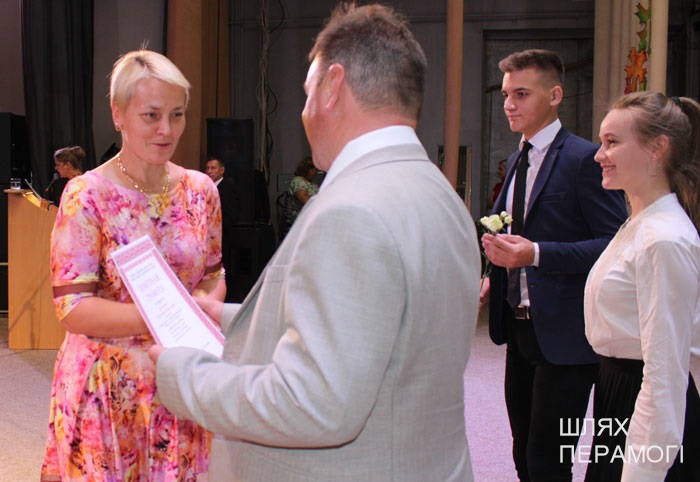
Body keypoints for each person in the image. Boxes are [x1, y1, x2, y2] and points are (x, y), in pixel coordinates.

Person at [150, 4, 481, 481]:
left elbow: (312, 402)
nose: (304, 113)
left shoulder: (352, 211)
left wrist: (184, 375)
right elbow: (377, 328)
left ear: (332, 87)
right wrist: (226, 316)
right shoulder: (439, 193)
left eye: (307, 93)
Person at [41, 49, 226, 481]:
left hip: (180, 380)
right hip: (108, 391)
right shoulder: (87, 194)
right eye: (151, 115)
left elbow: (214, 275)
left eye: (177, 115)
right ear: (117, 113)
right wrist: (168, 317)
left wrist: (200, 309)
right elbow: (72, 308)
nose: (167, 130)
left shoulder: (201, 191)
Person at [480, 49, 628, 482]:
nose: (509, 104)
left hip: (566, 333)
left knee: (548, 461)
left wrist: (537, 254)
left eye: (522, 94)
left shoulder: (584, 159)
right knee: (523, 454)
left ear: (556, 95)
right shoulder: (517, 159)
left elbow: (613, 244)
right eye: (506, 95)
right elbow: (519, 230)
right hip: (518, 327)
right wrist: (494, 271)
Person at [583, 92, 700, 481]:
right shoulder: (639, 223)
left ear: (657, 148)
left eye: (612, 142)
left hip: (643, 395)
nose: (599, 155)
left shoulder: (663, 239)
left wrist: (644, 469)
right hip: (618, 387)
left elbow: (665, 371)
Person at [205, 156, 240, 302]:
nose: (209, 171)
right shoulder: (208, 188)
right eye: (207, 168)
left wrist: (211, 226)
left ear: (222, 170)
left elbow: (230, 216)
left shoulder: (227, 188)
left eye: (213, 168)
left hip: (224, 238)